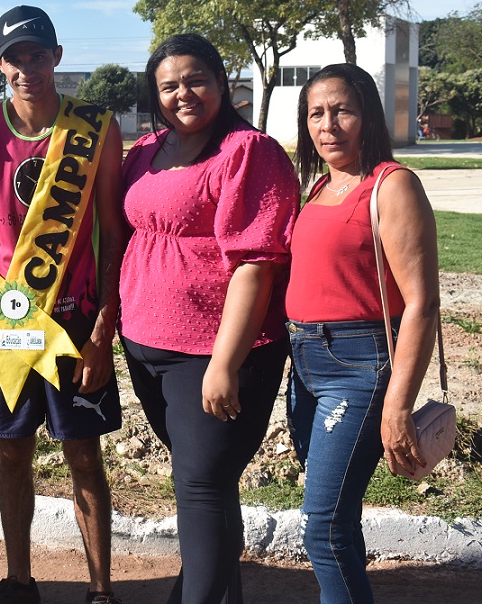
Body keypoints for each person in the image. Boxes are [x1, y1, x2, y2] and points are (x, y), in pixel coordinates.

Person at [117, 33, 299, 603]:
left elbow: (255, 264)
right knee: (210, 485)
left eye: (196, 79)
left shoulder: (249, 152)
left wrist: (225, 363)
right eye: (168, 85)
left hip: (214, 351)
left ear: (223, 82)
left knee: (198, 485)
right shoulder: (145, 150)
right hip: (147, 344)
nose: (183, 94)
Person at [0, 6, 125, 604]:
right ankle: (19, 580)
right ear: (0, 63)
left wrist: (104, 328)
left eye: (37, 55)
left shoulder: (96, 128)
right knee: (13, 451)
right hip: (8, 320)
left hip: (76, 317)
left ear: (57, 56)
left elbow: (114, 229)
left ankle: (101, 589)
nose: (26, 67)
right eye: (14, 57)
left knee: (84, 452)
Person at [286, 64, 440, 603]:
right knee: (337, 519)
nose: (329, 125)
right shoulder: (320, 186)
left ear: (367, 115)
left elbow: (422, 304)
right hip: (304, 363)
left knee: (322, 529)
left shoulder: (391, 185)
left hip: (359, 365)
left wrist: (398, 405)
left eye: (342, 110)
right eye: (316, 114)